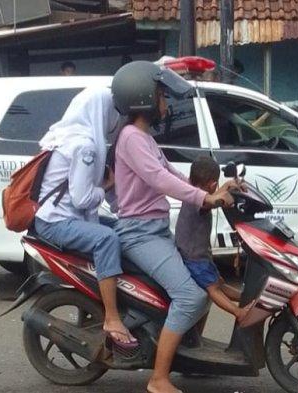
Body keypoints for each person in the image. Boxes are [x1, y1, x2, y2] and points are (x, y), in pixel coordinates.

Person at [111, 61, 233, 393]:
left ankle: (189, 355)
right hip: (139, 233)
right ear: (143, 99)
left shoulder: (143, 138)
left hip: (154, 230)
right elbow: (159, 179)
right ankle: (158, 379)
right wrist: (203, 200)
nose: (166, 104)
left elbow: (173, 175)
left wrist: (212, 192)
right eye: (162, 96)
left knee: (206, 282)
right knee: (191, 295)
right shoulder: (132, 138)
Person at [33, 87, 136, 346]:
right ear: (100, 111)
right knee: (107, 239)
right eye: (113, 110)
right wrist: (107, 189)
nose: (115, 117)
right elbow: (82, 198)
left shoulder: (68, 135)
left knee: (125, 228)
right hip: (57, 222)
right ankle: (112, 316)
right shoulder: (85, 146)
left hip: (59, 217)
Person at [175, 156, 250, 320]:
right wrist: (223, 197)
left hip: (199, 255)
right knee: (213, 289)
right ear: (213, 184)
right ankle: (238, 313)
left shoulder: (192, 192)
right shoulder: (197, 200)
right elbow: (209, 202)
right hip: (193, 257)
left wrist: (227, 187)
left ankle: (249, 299)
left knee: (220, 283)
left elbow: (212, 196)